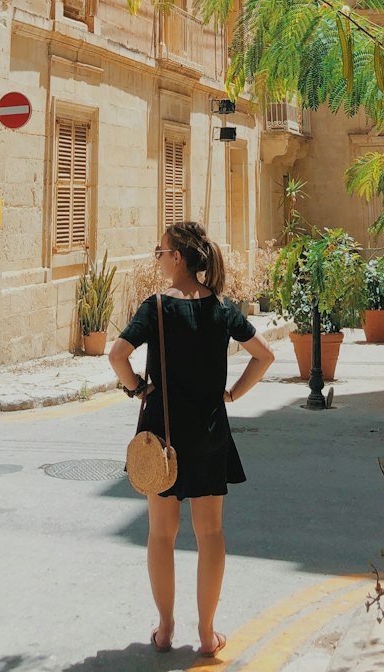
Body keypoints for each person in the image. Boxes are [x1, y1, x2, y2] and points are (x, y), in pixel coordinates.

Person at [108, 221, 275, 657]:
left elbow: (117, 354)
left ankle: (165, 629)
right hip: (209, 431)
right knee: (211, 533)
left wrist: (136, 388)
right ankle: (206, 633)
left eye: (160, 251)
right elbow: (264, 355)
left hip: (161, 434)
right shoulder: (221, 309)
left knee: (162, 534)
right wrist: (232, 394)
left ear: (177, 258)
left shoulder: (157, 307)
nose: (158, 258)